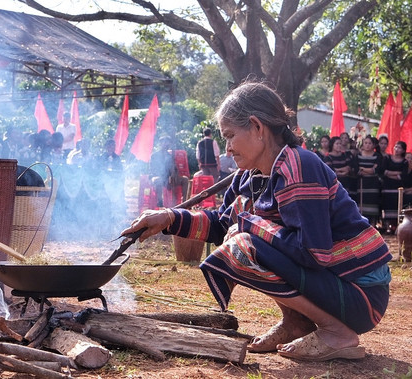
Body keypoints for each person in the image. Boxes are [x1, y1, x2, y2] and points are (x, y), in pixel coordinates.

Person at [122, 81, 390, 362]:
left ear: (257, 128)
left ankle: (337, 332)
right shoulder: (250, 176)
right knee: (240, 239)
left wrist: (249, 226)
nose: (227, 149)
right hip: (333, 285)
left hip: (361, 294)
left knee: (243, 245)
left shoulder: (299, 167)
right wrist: (168, 218)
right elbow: (222, 225)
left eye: (230, 136)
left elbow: (314, 253)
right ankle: (296, 323)